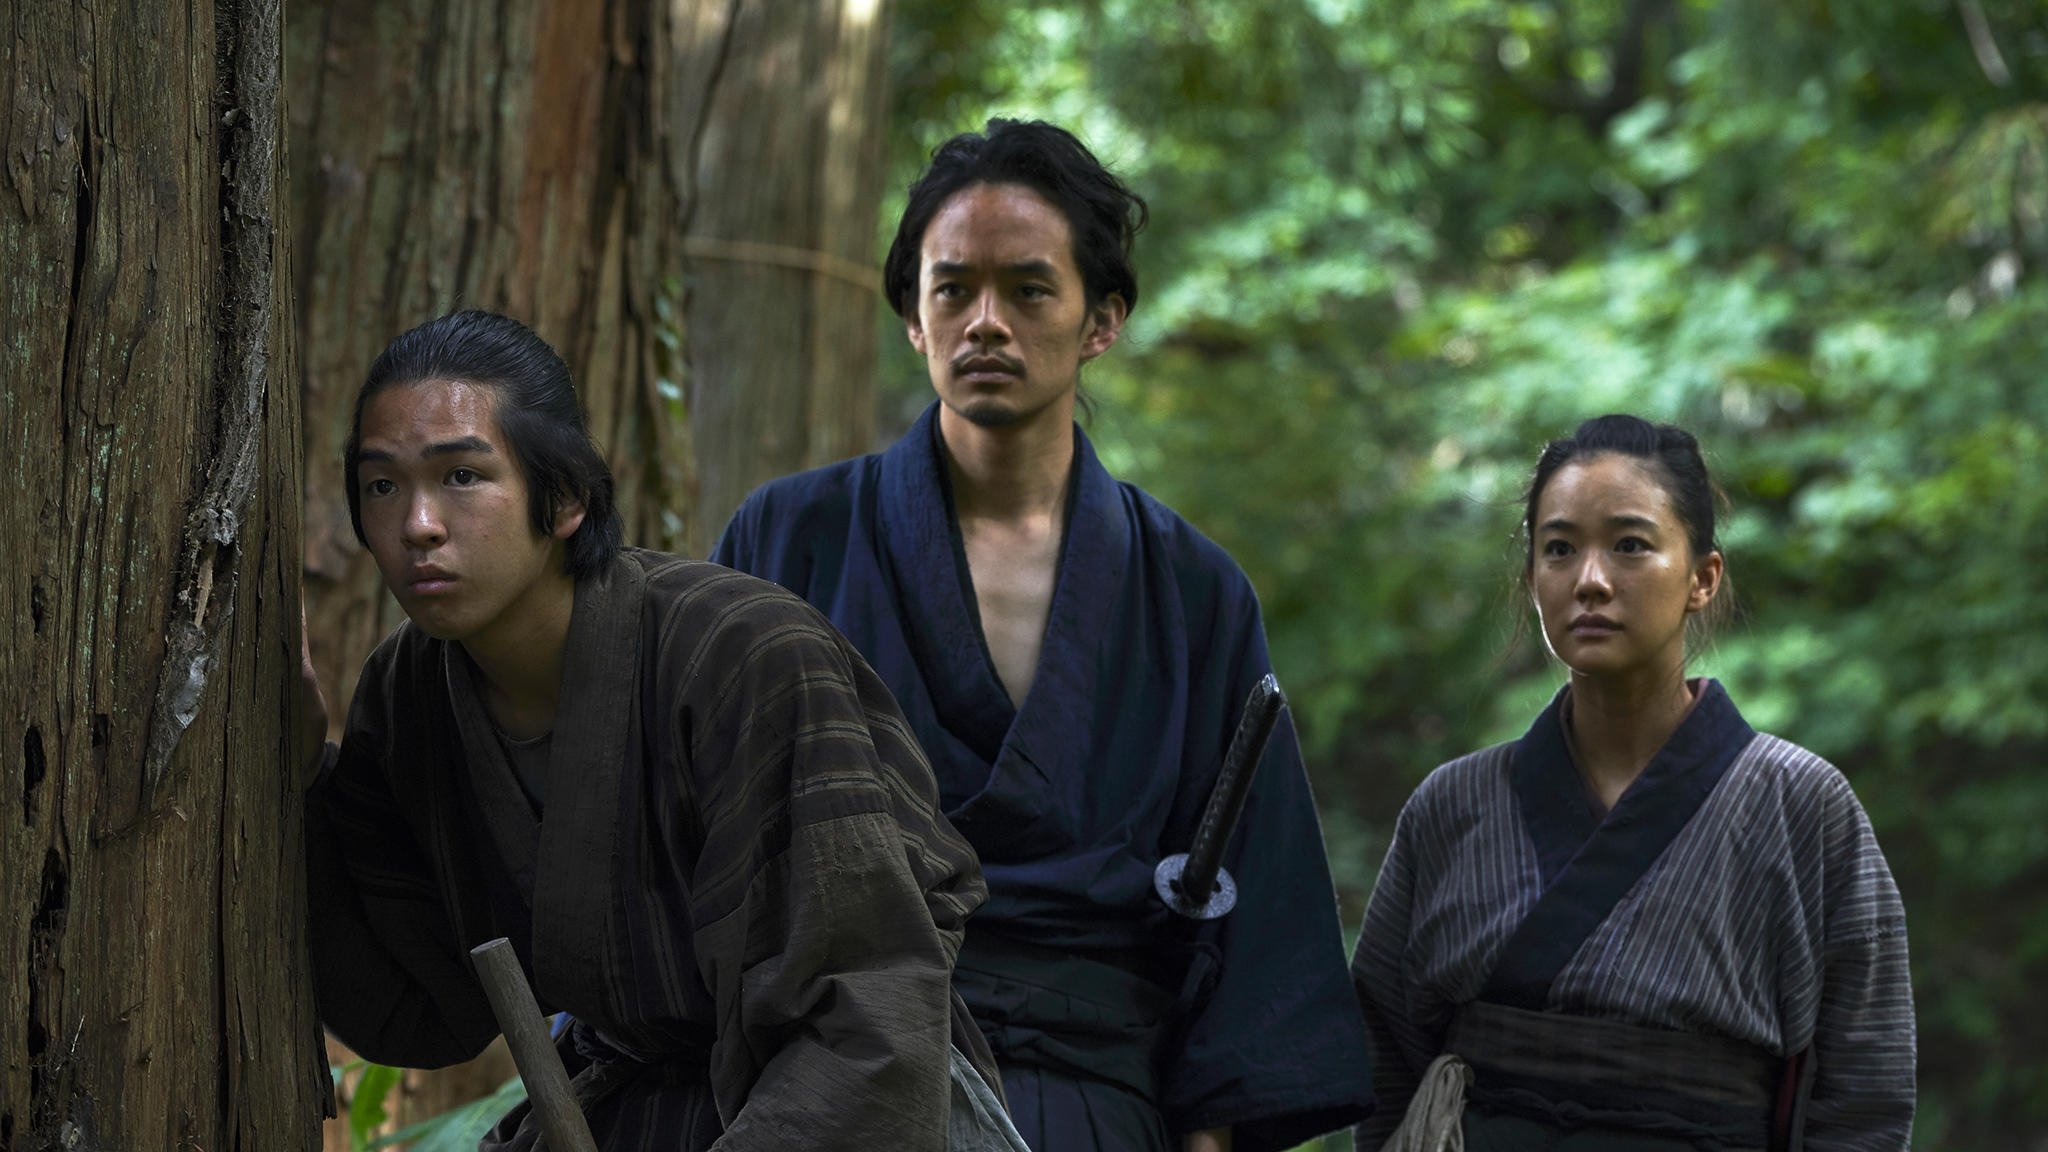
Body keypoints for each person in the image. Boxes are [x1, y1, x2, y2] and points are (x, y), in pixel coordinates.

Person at [712, 118, 1373, 1152]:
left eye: (1027, 290)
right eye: (952, 290)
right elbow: (699, 836)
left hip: (1094, 1096)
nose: (985, 323)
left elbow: (1259, 894)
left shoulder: (1193, 592)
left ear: (1100, 320)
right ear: (912, 318)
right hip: (836, 1090)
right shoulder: (789, 538)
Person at [303, 309, 1018, 1151]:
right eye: (382, 486)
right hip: (624, 1109)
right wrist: (299, 773)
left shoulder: (744, 654)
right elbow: (415, 998)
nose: (417, 524)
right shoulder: (409, 692)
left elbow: (865, 1019)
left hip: (825, 1110)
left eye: (462, 475)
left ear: (565, 497)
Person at [1350, 414, 1915, 1151]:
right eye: (1559, 549)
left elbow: (1864, 1093)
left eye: (1630, 546)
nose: (1590, 580)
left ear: (1702, 578)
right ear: (1531, 579)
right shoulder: (1452, 805)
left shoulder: (1802, 805)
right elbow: (1382, 1067)